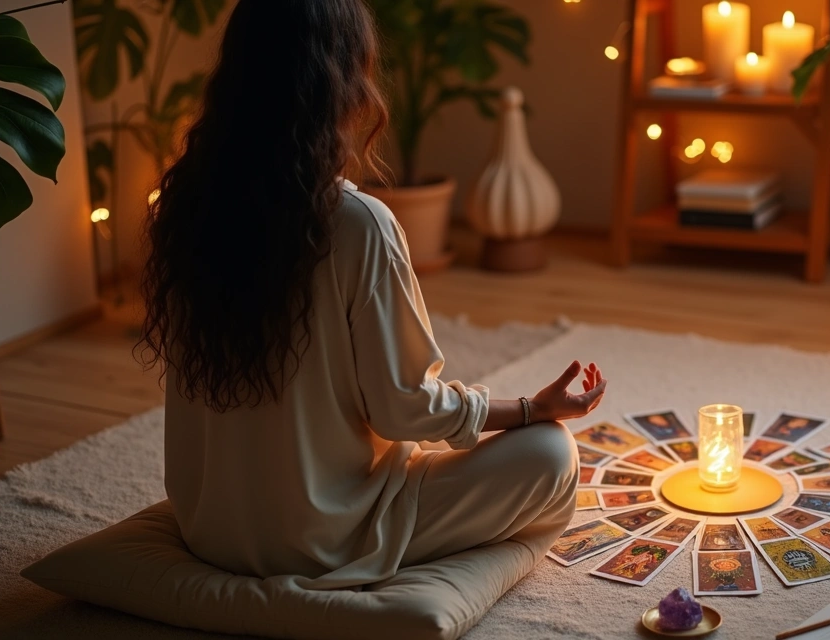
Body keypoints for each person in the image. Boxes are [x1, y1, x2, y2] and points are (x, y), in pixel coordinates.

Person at [138, 0, 607, 588]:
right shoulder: (358, 223)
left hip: (209, 526)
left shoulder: (183, 205)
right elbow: (404, 407)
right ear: (341, 83)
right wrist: (532, 411)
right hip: (323, 536)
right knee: (551, 456)